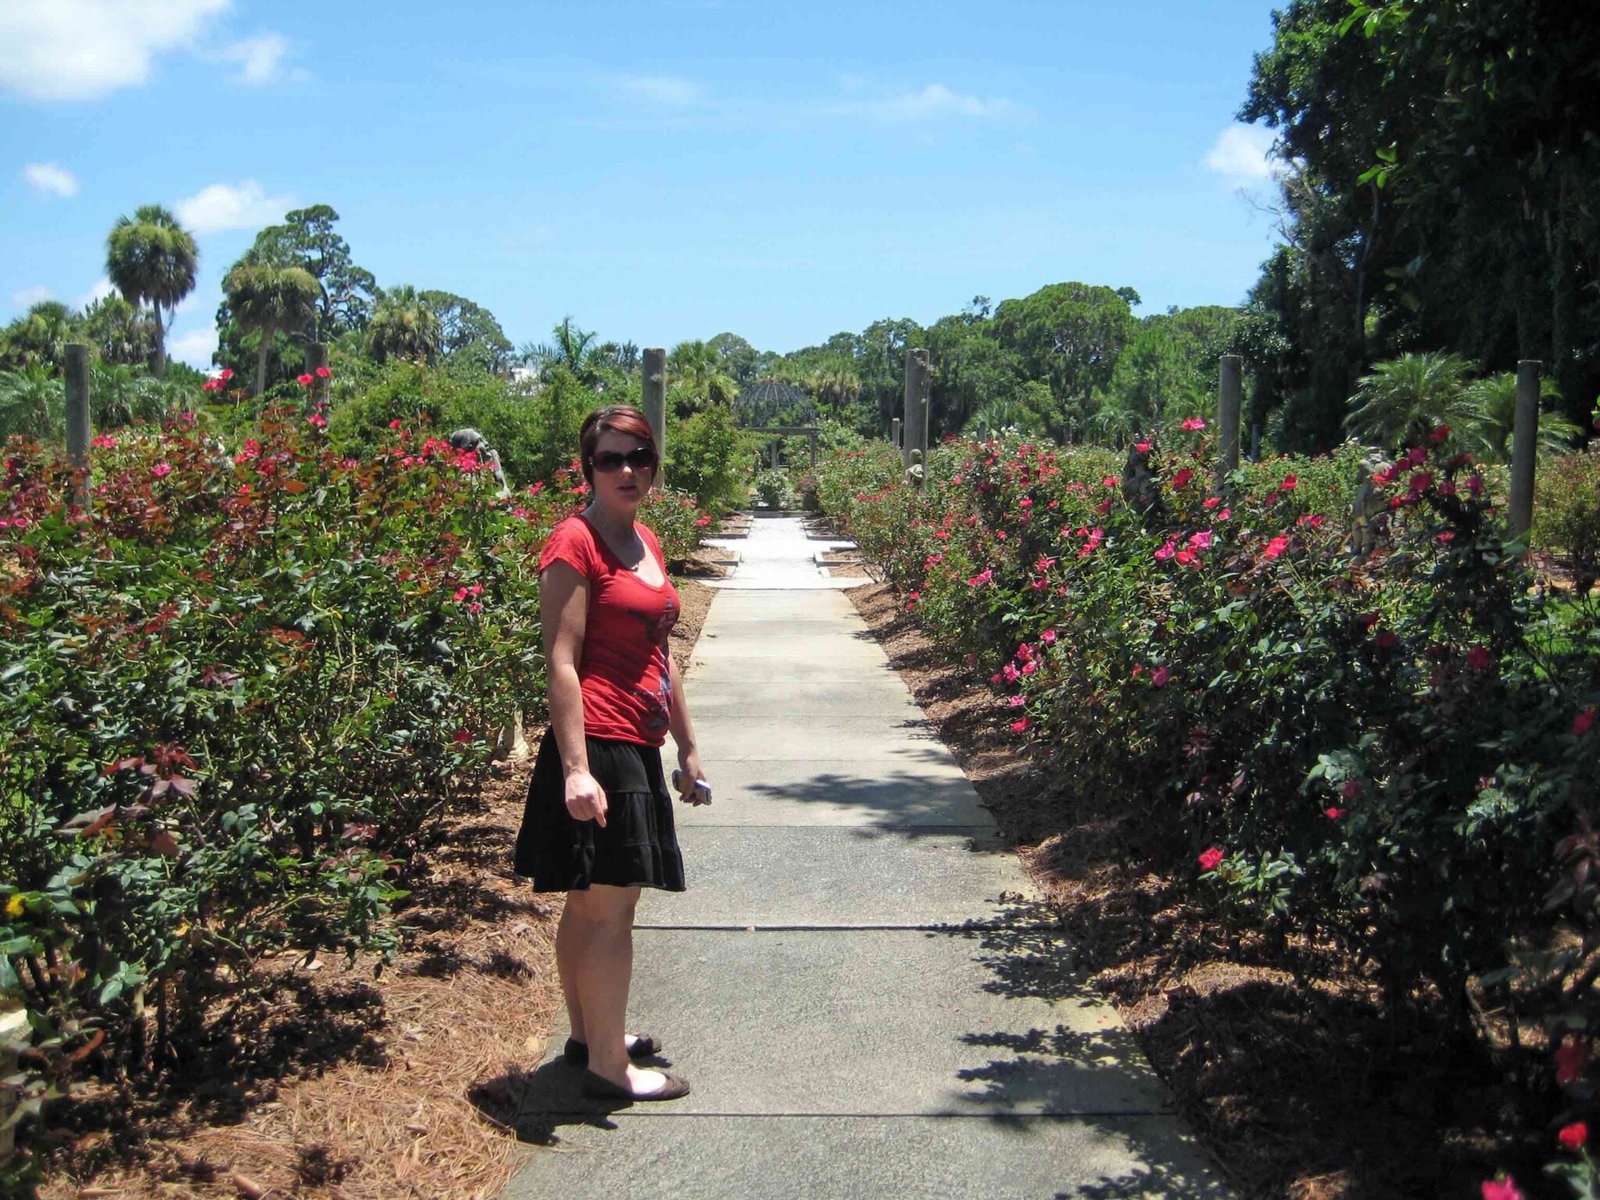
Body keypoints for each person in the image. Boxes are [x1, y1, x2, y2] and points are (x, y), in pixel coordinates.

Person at [514, 405, 707, 1103]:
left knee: (588, 907)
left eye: (639, 458)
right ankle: (606, 1067)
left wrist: (687, 746)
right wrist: (574, 769)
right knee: (609, 914)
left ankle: (588, 1035)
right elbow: (561, 662)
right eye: (611, 459)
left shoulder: (644, 540)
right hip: (598, 745)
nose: (627, 471)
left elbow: (659, 653)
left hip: (638, 742)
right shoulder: (576, 541)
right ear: (588, 467)